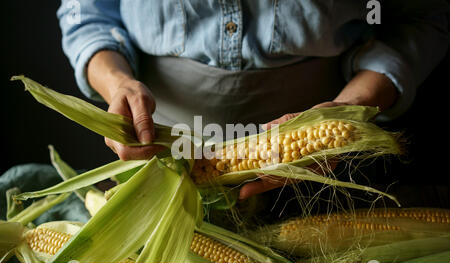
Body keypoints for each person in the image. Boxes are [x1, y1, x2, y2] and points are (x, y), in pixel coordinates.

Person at [57, 0, 449, 200]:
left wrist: (348, 114)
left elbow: (419, 16)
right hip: (159, 161)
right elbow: (87, 12)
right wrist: (117, 83)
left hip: (326, 171)